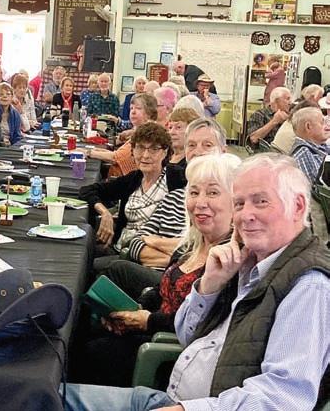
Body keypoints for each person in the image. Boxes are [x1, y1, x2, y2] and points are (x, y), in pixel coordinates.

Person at [64, 153, 330, 411]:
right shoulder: (247, 261)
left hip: (192, 404)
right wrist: (208, 286)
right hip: (173, 397)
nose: (245, 215)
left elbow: (283, 397)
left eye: (260, 202)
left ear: (298, 207)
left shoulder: (308, 285)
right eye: (239, 204)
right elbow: (187, 334)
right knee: (47, 393)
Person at [77, 153, 241, 388]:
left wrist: (148, 320)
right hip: (151, 328)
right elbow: (160, 288)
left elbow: (203, 325)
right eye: (194, 192)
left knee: (87, 352)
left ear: (236, 202)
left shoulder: (231, 260)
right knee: (86, 327)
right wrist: (135, 309)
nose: (200, 202)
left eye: (213, 193)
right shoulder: (190, 245)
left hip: (171, 354)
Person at [119, 118, 228, 275]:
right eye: (192, 145)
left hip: (188, 280)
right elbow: (136, 242)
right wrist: (178, 258)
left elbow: (207, 252)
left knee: (115, 270)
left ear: (223, 152)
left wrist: (156, 242)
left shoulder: (227, 201)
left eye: (207, 145)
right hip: (158, 273)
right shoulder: (174, 197)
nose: (198, 152)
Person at [80, 122, 185, 256]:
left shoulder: (177, 179)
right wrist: (105, 213)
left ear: (165, 152)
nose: (145, 155)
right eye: (140, 147)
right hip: (119, 248)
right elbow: (87, 191)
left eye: (153, 149)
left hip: (152, 255)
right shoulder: (134, 179)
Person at [87, 93, 158, 177]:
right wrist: (95, 150)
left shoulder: (147, 133)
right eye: (131, 108)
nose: (133, 112)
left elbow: (115, 158)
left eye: (138, 108)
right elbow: (117, 154)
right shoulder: (139, 130)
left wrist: (88, 152)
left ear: (149, 113)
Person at [290, 106, 330, 181]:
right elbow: (314, 188)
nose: (327, 125)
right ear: (308, 127)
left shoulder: (319, 145)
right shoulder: (303, 155)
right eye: (322, 122)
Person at [0, 82, 24, 146]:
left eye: (8, 94)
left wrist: (13, 145)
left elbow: (17, 136)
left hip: (10, 146)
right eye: (1, 94)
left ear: (12, 97)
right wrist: (1, 141)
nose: (5, 96)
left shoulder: (16, 114)